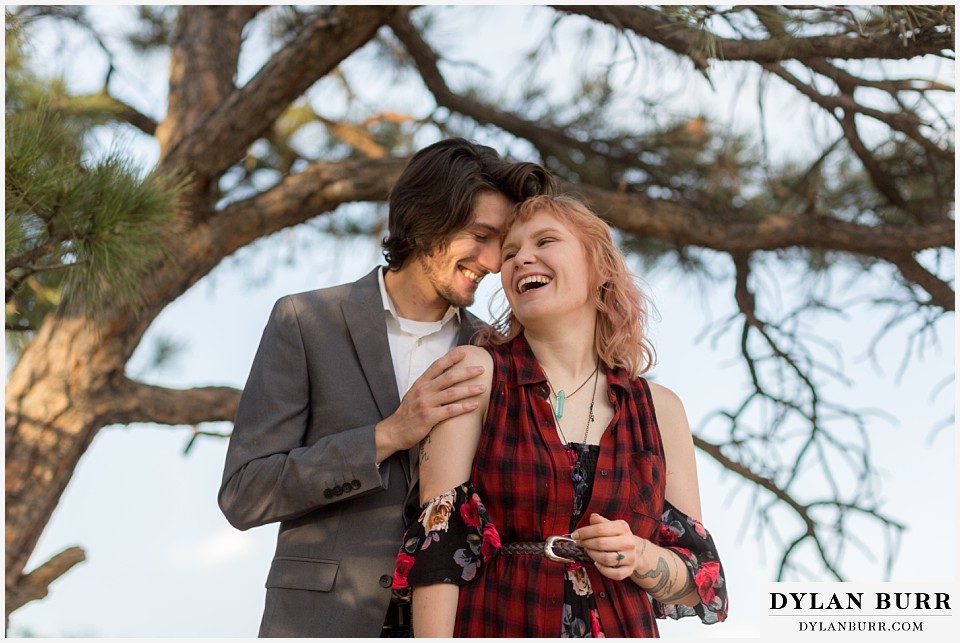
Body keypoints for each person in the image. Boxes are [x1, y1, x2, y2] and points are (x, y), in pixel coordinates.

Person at [218, 137, 555, 638]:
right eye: (480, 235)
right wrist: (389, 435)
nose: (491, 261)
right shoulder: (305, 322)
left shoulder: (498, 353)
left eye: (501, 245)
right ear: (425, 220)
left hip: (457, 623)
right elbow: (244, 493)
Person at [392, 194, 728, 637]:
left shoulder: (660, 409)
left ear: (599, 267)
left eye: (545, 241)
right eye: (510, 253)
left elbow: (703, 582)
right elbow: (441, 540)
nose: (519, 258)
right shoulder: (477, 373)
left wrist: (639, 555)